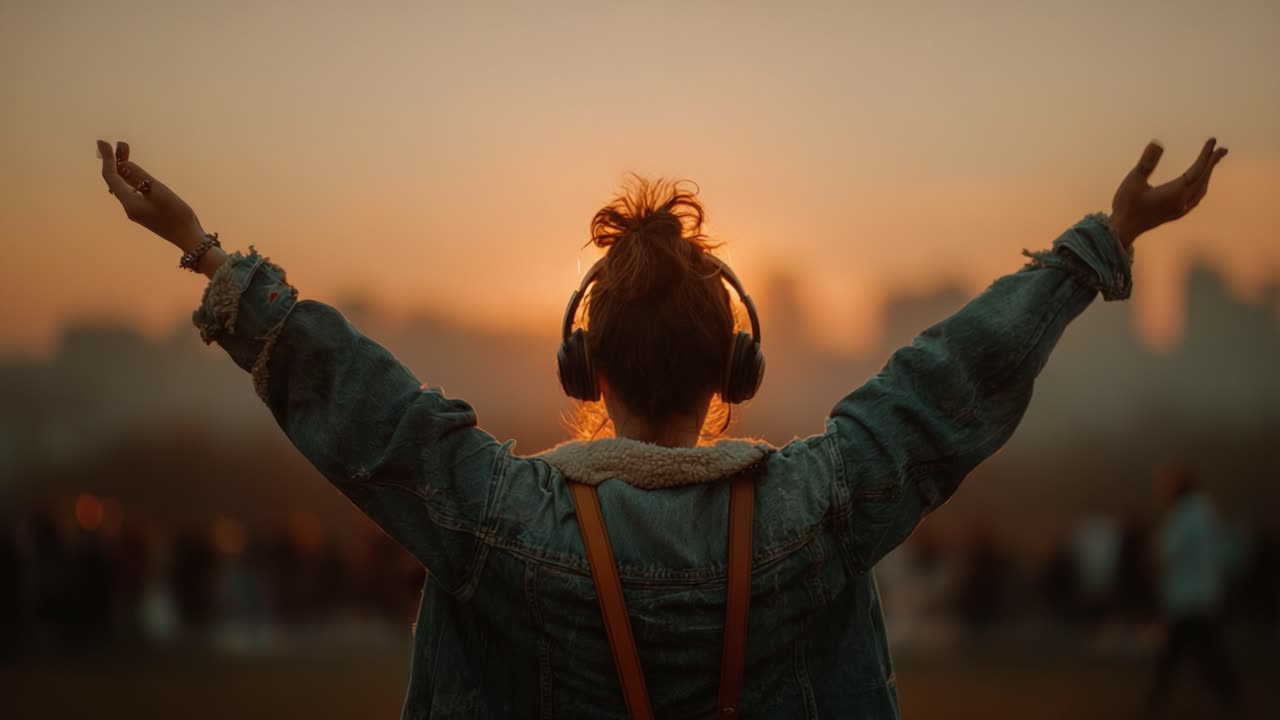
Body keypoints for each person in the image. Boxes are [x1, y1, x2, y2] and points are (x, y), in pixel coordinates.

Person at [94, 136, 1227, 718]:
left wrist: (203, 249)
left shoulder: (501, 522)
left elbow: (370, 412)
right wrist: (1100, 243)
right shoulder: (815, 510)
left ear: (579, 364)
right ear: (734, 366)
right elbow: (945, 383)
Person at [1144, 463, 1241, 718]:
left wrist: (1152, 556)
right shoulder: (1204, 510)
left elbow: (1165, 551)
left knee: (1182, 653)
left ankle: (1157, 700)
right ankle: (1227, 694)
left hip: (1188, 597)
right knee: (1200, 650)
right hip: (1203, 593)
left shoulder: (1186, 515)